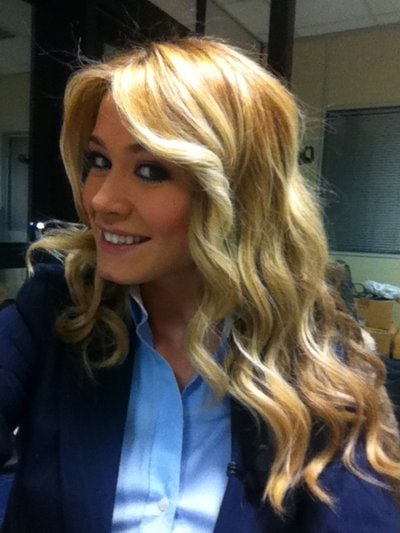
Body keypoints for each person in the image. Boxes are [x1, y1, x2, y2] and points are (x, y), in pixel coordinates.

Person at [0, 37, 399, 533]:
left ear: (238, 193)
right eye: (99, 161)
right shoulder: (57, 310)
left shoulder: (313, 349)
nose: (101, 201)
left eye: (151, 170)